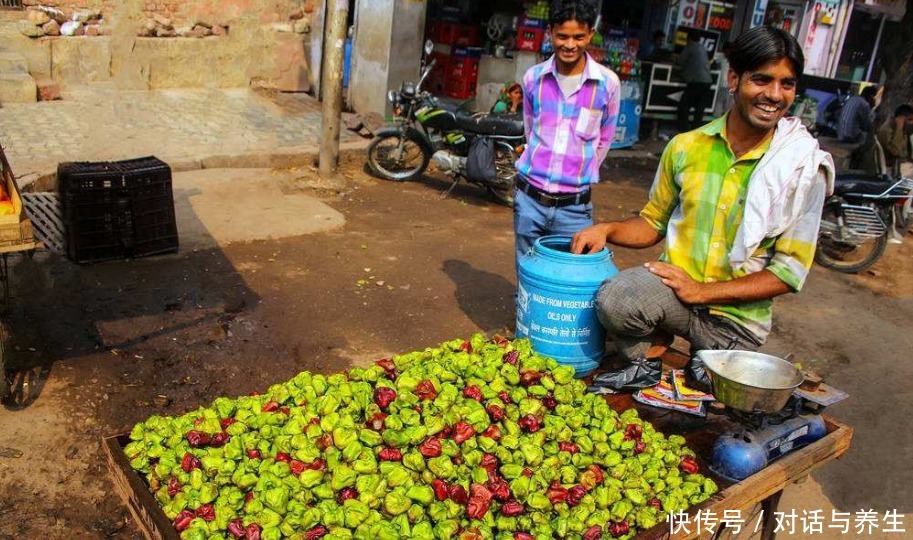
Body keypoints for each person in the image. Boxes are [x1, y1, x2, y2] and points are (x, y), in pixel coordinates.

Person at [571, 26, 834, 391]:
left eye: (786, 84)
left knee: (711, 385)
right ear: (734, 78)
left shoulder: (804, 168)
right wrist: (607, 230)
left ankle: (699, 358)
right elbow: (652, 222)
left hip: (736, 324)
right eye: (761, 80)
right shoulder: (686, 147)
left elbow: (788, 273)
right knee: (616, 298)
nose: (774, 95)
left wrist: (702, 291)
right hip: (676, 298)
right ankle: (645, 362)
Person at [514, 0, 621, 270]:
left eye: (578, 37)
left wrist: (580, 172)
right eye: (562, 36)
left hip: (575, 208)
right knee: (528, 274)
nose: (570, 45)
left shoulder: (607, 84)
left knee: (571, 278)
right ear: (550, 32)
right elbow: (530, 129)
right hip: (530, 201)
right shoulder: (533, 79)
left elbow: (605, 139)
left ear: (590, 35)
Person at [676, 29, 714, 133]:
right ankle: (695, 133)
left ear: (689, 38)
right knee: (699, 110)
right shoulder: (703, 48)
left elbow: (680, 61)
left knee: (683, 107)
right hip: (707, 82)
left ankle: (684, 132)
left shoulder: (690, 46)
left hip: (696, 81)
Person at [877, 104, 913, 178]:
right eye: (909, 119)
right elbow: (897, 150)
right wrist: (899, 128)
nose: (911, 123)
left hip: (899, 166)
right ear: (901, 119)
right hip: (888, 169)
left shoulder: (903, 131)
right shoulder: (886, 130)